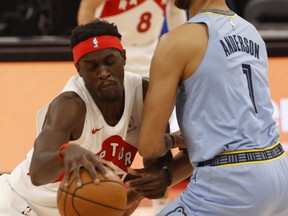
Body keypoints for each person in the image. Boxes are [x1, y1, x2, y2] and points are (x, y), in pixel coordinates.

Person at [0, 19, 192, 216]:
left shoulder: (143, 94)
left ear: (123, 57)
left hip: (73, 210)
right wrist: (65, 153)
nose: (103, 72)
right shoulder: (70, 105)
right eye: (92, 66)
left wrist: (162, 176)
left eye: (110, 62)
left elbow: (157, 161)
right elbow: (38, 174)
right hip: (20, 202)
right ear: (79, 69)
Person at [137, 0, 288, 215]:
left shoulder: (177, 41)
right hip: (279, 170)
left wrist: (173, 139)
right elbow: (222, 140)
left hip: (231, 183)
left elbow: (150, 146)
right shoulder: (252, 33)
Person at [77, 0, 187, 77]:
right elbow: (87, 9)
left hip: (151, 56)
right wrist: (92, 51)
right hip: (112, 55)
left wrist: (182, 51)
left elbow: (175, 10)